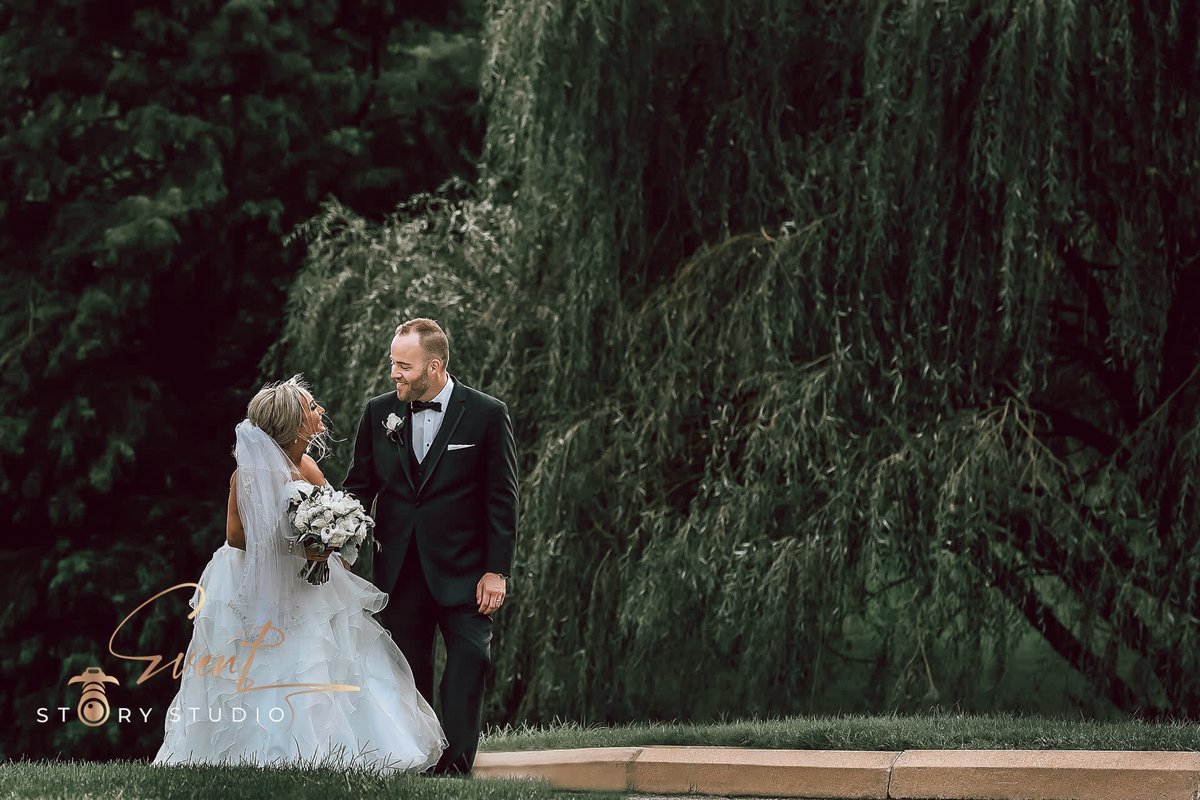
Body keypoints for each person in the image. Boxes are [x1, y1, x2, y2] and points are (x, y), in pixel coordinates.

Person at [153, 377, 445, 772]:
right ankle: (267, 752)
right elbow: (236, 536)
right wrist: (297, 546)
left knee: (323, 656)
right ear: (294, 422)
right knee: (272, 662)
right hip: (253, 580)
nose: (320, 410)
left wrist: (337, 535)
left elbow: (332, 506)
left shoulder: (306, 464)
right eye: (311, 407)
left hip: (311, 580)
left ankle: (332, 751)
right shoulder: (250, 472)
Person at [343, 318, 518, 774]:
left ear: (434, 366)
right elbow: (360, 487)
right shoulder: (379, 412)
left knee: (470, 659)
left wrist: (497, 570)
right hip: (399, 568)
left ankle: (456, 766)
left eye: (404, 366)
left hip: (466, 570)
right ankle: (416, 761)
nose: (394, 374)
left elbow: (502, 498)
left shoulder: (486, 414)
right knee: (407, 669)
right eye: (393, 364)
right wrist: (335, 537)